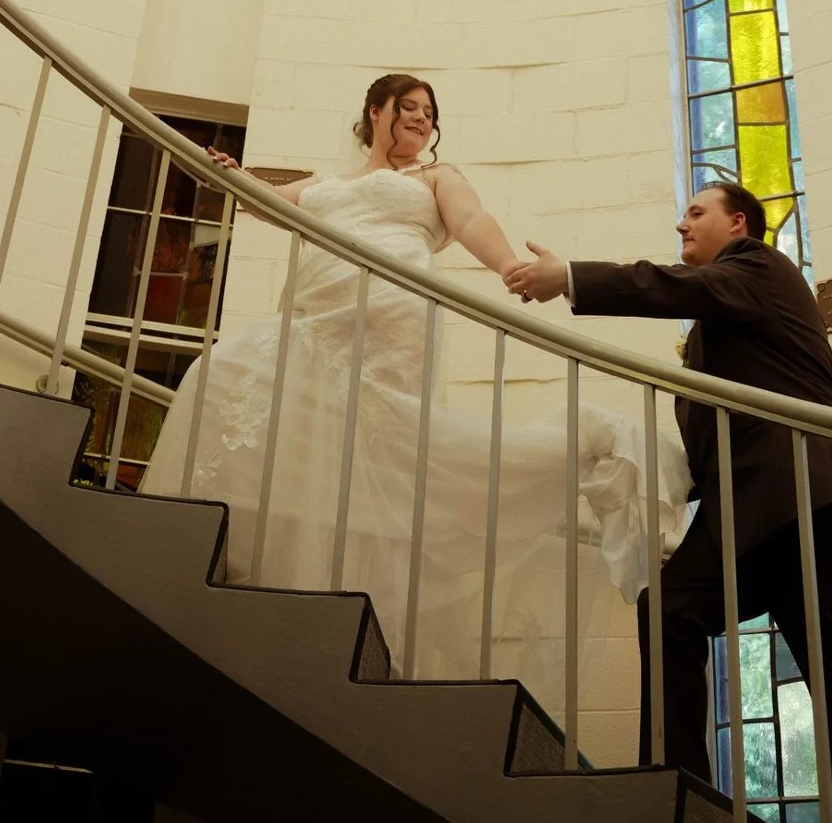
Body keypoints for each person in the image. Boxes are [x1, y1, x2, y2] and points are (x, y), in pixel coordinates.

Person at [141, 73, 686, 707]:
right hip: (313, 320)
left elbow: (472, 217)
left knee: (380, 459)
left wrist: (509, 265)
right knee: (223, 375)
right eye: (409, 109)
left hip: (391, 320)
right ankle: (276, 579)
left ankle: (368, 625)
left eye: (430, 113)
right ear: (375, 111)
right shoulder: (324, 185)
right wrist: (227, 175)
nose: (422, 121)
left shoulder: (434, 177)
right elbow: (263, 200)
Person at [505, 184, 832, 819]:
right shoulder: (723, 323)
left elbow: (669, 286)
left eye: (696, 213)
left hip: (810, 498)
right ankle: (676, 799)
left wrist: (570, 278)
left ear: (739, 223)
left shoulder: (758, 267)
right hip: (747, 516)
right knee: (668, 611)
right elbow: (719, 437)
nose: (680, 224)